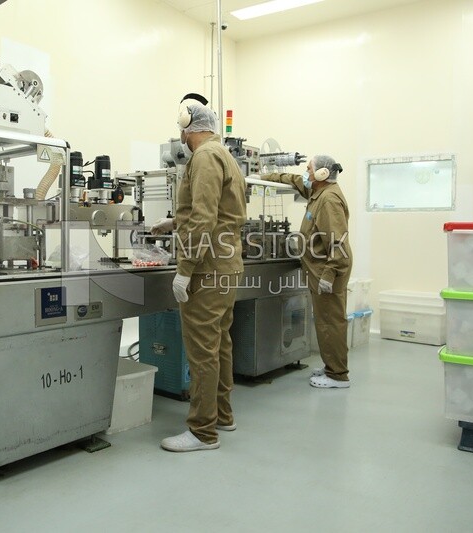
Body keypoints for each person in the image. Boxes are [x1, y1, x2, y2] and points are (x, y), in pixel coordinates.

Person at [150, 99, 247, 452]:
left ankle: (203, 432)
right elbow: (216, 211)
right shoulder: (224, 156)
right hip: (227, 264)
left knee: (202, 351)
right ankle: (222, 414)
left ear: (186, 126)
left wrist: (185, 270)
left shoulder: (204, 157)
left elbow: (205, 218)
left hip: (207, 268)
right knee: (219, 344)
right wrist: (175, 222)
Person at [259, 155, 353, 388]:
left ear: (321, 174)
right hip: (320, 269)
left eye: (308, 168)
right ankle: (332, 366)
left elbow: (338, 243)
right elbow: (292, 179)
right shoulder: (317, 192)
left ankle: (338, 375)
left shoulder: (328, 200)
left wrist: (329, 276)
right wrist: (262, 177)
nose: (305, 172)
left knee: (330, 323)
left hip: (328, 270)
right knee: (325, 321)